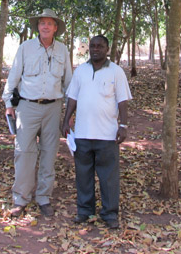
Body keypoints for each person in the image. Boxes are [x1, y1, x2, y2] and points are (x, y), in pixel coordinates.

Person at [2, 8, 72, 218]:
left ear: (55, 28)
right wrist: (8, 103)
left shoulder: (63, 50)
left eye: (50, 23)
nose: (45, 27)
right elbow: (14, 75)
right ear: (37, 26)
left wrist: (70, 111)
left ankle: (44, 197)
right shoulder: (26, 48)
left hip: (53, 107)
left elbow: (68, 81)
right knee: (23, 153)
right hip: (27, 107)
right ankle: (20, 199)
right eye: (42, 23)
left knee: (49, 153)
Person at [61, 34, 132, 229]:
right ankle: (85, 211)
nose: (95, 49)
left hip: (107, 135)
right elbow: (72, 97)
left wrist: (123, 125)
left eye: (100, 46)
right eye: (92, 46)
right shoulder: (81, 71)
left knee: (108, 176)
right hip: (82, 133)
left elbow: (122, 100)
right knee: (83, 175)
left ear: (107, 49)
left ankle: (109, 214)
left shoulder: (116, 72)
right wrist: (66, 119)